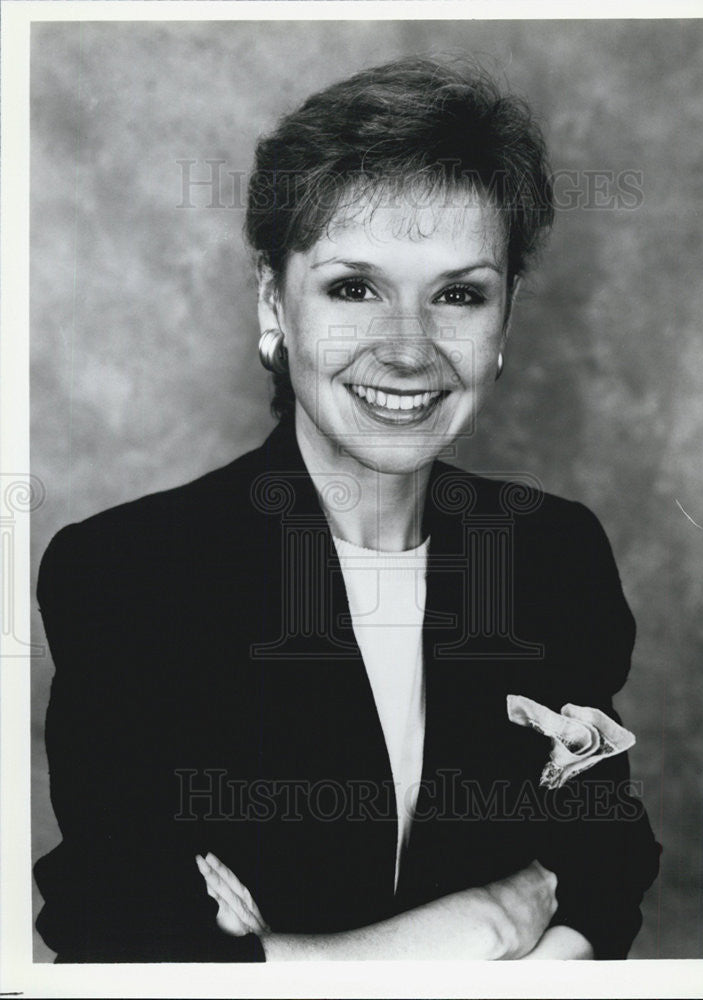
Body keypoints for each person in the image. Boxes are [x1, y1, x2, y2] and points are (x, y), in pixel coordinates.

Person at [34, 56, 661, 962]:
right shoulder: (131, 573)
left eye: (457, 294)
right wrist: (484, 921)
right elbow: (122, 931)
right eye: (354, 287)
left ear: (505, 321)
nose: (408, 349)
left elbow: (607, 858)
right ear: (272, 302)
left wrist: (288, 956)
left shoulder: (552, 555)